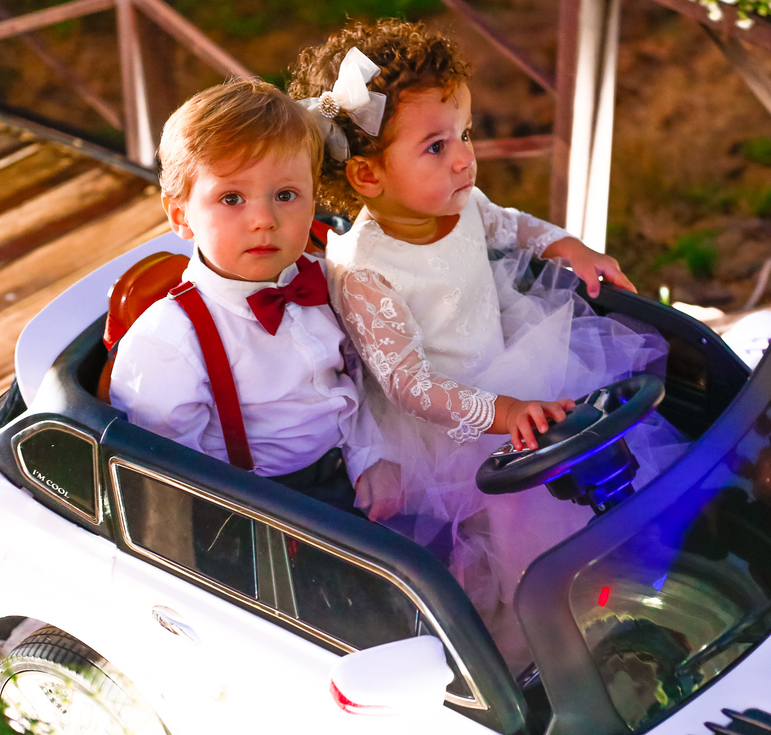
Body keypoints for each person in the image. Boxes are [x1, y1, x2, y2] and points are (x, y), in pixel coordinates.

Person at [289, 19, 689, 667]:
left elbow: (512, 226)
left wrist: (565, 245)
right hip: (451, 428)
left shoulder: (459, 202)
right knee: (515, 547)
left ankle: (626, 606)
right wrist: (503, 413)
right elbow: (409, 385)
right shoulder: (365, 268)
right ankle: (538, 659)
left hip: (514, 371)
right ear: (366, 175)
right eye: (436, 146)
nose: (464, 158)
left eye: (466, 134)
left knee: (593, 490)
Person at [109, 78, 382, 511]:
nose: (264, 219)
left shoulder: (326, 279)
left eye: (286, 195)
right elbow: (171, 481)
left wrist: (371, 457)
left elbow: (356, 379)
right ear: (180, 215)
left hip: (353, 462)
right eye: (232, 198)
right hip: (264, 506)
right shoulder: (169, 343)